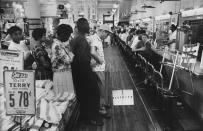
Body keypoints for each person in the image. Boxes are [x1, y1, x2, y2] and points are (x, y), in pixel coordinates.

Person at [70, 18, 103, 126]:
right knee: (93, 93)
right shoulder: (81, 40)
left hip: (78, 71)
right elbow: (82, 59)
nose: (89, 26)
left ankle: (86, 116)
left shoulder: (77, 39)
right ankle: (93, 117)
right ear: (84, 26)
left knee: (84, 94)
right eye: (88, 24)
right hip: (83, 70)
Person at [87, 24, 111, 118]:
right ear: (103, 31)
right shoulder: (95, 39)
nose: (107, 36)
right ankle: (101, 108)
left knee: (101, 87)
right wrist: (100, 60)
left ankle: (102, 104)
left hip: (98, 68)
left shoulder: (96, 39)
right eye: (107, 34)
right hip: (97, 68)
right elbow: (92, 52)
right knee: (100, 89)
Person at [51, 24, 74, 94]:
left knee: (66, 95)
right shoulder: (57, 46)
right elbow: (68, 60)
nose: (69, 37)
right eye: (68, 35)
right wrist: (71, 50)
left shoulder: (60, 44)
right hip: (61, 74)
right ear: (62, 34)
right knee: (63, 96)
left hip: (64, 73)